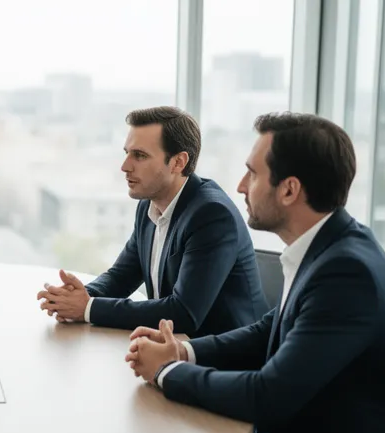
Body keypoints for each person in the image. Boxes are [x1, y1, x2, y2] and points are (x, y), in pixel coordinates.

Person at [125, 112, 385, 433]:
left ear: (289, 190)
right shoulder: (327, 247)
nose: (241, 186)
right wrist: (185, 351)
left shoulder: (347, 273)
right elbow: (269, 328)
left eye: (252, 173)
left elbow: (270, 395)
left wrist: (169, 372)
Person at [37, 106, 267, 339]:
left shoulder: (212, 214)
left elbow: (184, 313)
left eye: (140, 155)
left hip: (224, 362)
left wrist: (87, 308)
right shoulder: (149, 204)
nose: (125, 166)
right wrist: (77, 296)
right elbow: (121, 277)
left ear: (178, 162)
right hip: (174, 349)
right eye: (127, 153)